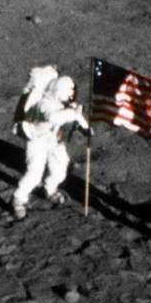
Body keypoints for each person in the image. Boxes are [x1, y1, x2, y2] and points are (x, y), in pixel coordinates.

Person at [11, 69, 92, 220]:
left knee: (60, 169)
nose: (70, 96)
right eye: (68, 93)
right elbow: (54, 118)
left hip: (54, 140)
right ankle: (18, 199)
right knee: (34, 174)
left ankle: (49, 188)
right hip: (37, 142)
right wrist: (74, 114)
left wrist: (85, 128)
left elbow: (73, 118)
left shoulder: (64, 104)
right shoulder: (44, 104)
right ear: (58, 91)